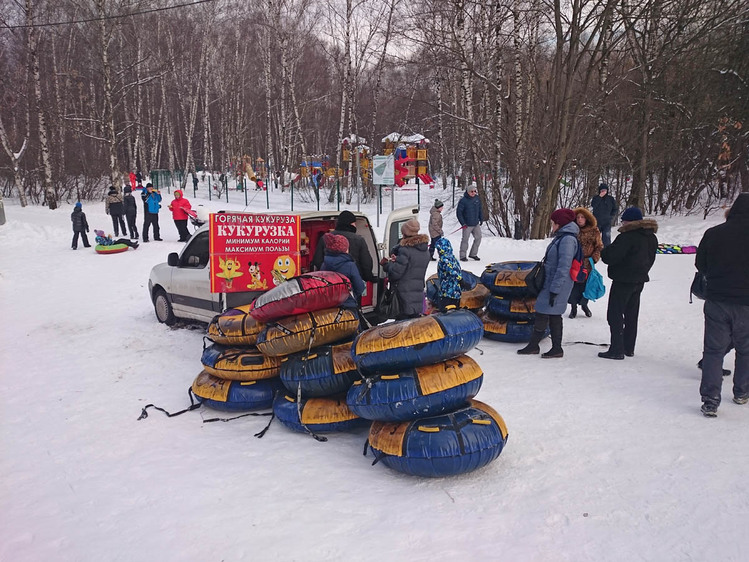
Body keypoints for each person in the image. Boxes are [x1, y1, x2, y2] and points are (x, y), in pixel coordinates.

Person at [695, 193, 749, 417]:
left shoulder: (714, 233)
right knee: (746, 350)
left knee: (714, 351)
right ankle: (742, 391)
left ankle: (710, 399)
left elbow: (701, 264)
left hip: (717, 299)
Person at [517, 208, 579, 358]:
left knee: (553, 314)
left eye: (553, 222)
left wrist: (555, 289)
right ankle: (534, 346)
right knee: (543, 312)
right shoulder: (561, 237)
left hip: (558, 284)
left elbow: (564, 266)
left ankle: (556, 348)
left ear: (560, 223)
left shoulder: (568, 240)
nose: (551, 225)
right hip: (551, 282)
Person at [598, 207, 658, 360]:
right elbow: (651, 258)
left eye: (624, 220)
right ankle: (628, 347)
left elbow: (611, 257)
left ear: (629, 221)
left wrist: (604, 250)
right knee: (632, 314)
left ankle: (617, 349)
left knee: (615, 314)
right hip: (639, 280)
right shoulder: (651, 237)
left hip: (623, 280)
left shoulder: (627, 237)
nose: (622, 222)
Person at [382, 219, 430, 320]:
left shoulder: (405, 250)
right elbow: (412, 266)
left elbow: (396, 273)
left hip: (404, 293)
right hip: (417, 292)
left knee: (402, 326)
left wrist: (387, 264)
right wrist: (398, 260)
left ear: (405, 233)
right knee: (413, 324)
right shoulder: (425, 250)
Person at [312, 210, 375, 282]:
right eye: (354, 223)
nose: (355, 225)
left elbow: (317, 260)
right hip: (352, 281)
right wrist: (367, 278)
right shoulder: (359, 240)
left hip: (329, 282)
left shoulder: (325, 238)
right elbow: (366, 263)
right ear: (351, 224)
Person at [320, 233, 366, 328]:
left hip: (329, 308)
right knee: (353, 333)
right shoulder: (350, 265)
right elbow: (359, 287)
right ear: (345, 249)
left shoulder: (324, 264)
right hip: (348, 307)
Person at [568, 207, 604, 318]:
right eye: (578, 217)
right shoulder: (572, 230)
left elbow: (599, 247)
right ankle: (573, 308)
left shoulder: (594, 231)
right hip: (574, 263)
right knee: (574, 286)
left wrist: (593, 259)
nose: (580, 219)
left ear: (587, 218)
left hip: (588, 263)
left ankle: (584, 305)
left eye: (582, 217)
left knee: (587, 286)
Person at [456, 183, 485, 261]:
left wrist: (481, 218)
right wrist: (463, 223)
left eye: (474, 191)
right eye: (471, 191)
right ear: (468, 192)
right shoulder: (463, 201)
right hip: (467, 224)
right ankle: (462, 255)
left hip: (475, 223)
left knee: (478, 237)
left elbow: (480, 209)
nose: (473, 193)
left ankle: (473, 254)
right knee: (465, 239)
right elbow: (459, 213)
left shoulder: (477, 199)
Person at [435, 237, 462, 311]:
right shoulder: (453, 258)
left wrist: (460, 279)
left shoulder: (444, 260)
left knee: (445, 314)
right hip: (456, 293)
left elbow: (452, 271)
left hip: (447, 292)